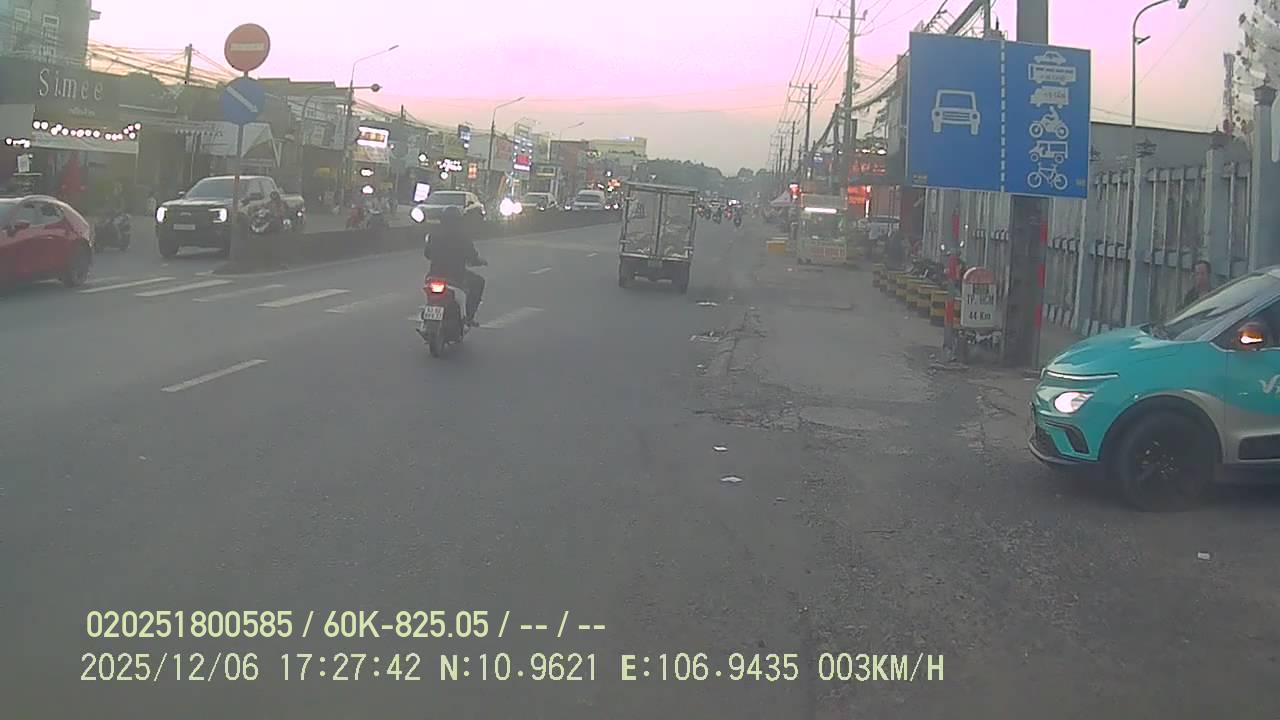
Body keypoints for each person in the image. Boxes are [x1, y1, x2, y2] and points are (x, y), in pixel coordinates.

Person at [425, 206, 486, 326]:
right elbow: (472, 257)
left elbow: (427, 254)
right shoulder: (463, 237)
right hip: (456, 275)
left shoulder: (434, 235)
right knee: (479, 282)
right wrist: (479, 261)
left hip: (434, 274)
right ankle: (469, 317)